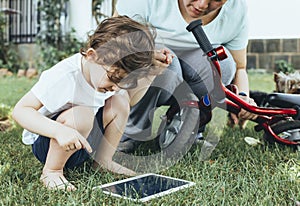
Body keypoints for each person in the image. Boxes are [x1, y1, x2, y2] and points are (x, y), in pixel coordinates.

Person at [12, 16, 166, 191]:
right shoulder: (64, 76)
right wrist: (59, 131)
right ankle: (52, 171)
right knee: (82, 115)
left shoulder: (104, 74)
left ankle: (103, 161)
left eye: (123, 81)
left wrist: (152, 72)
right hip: (51, 144)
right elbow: (20, 110)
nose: (115, 86)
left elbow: (130, 102)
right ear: (92, 56)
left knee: (121, 100)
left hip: (84, 143)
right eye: (113, 77)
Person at [115, 0, 257, 152]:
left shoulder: (236, 10)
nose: (202, 5)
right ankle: (129, 132)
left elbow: (240, 66)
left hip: (196, 68)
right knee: (168, 67)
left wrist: (243, 99)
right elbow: (111, 40)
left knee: (224, 65)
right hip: (156, 62)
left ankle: (189, 127)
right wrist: (144, 55)